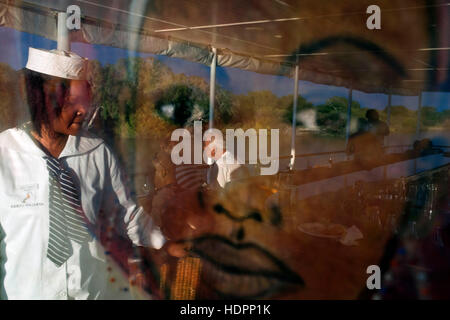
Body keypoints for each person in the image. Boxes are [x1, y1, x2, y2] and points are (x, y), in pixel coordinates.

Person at [0, 47, 165, 300]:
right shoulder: (4, 154)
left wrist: (163, 244)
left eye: (85, 102)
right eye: (71, 102)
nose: (82, 111)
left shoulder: (97, 153)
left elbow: (126, 213)